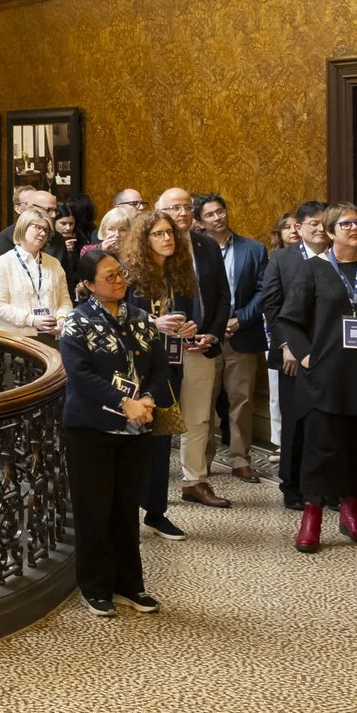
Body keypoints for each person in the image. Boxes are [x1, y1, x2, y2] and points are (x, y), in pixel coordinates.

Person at [276, 202, 357, 552]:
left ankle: (351, 513)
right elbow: (290, 320)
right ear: (331, 232)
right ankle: (312, 517)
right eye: (346, 224)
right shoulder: (312, 269)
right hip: (325, 376)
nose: (354, 228)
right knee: (321, 447)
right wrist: (306, 357)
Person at [57, 251, 170, 616]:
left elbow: (158, 365)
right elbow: (81, 377)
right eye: (109, 277)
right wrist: (125, 403)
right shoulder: (77, 323)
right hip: (91, 428)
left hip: (136, 429)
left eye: (120, 274)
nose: (119, 281)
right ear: (89, 285)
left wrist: (149, 398)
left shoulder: (141, 319)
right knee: (94, 509)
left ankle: (130, 585)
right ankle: (95, 586)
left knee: (125, 508)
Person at [115, 211, 198, 543]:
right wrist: (152, 324)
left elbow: (187, 315)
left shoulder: (178, 275)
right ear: (143, 239)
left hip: (169, 367)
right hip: (135, 371)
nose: (168, 239)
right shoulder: (129, 277)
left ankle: (156, 512)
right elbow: (115, 322)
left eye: (171, 234)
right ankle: (124, 513)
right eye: (159, 234)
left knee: (161, 441)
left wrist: (191, 329)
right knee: (133, 442)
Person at [153, 188, 233, 512]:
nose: (183, 213)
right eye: (174, 207)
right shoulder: (152, 246)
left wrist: (212, 335)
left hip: (201, 346)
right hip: (161, 349)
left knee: (200, 418)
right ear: (160, 211)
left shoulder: (207, 245)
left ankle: (194, 481)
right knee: (159, 418)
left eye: (187, 207)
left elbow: (223, 297)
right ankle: (153, 487)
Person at [258, 202, 330, 511]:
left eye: (323, 222)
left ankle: (327, 486)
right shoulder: (282, 259)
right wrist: (288, 345)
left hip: (330, 352)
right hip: (292, 353)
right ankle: (291, 485)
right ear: (298, 228)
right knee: (295, 423)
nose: (318, 228)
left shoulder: (337, 257)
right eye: (312, 223)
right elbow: (272, 306)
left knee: (328, 422)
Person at [198, 193, 270, 486]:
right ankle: (202, 460)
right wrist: (214, 325)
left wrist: (240, 318)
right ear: (200, 221)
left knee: (241, 401)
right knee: (204, 401)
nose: (218, 218)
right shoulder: (197, 250)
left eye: (221, 211)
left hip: (242, 333)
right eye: (210, 214)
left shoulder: (253, 249)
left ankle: (241, 460)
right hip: (206, 336)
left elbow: (264, 290)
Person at [0, 208, 72, 347]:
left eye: (46, 230)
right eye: (37, 227)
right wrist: (31, 320)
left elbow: (65, 301)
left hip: (53, 338)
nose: (42, 233)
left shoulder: (54, 263)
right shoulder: (5, 262)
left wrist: (61, 319)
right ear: (23, 227)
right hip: (18, 340)